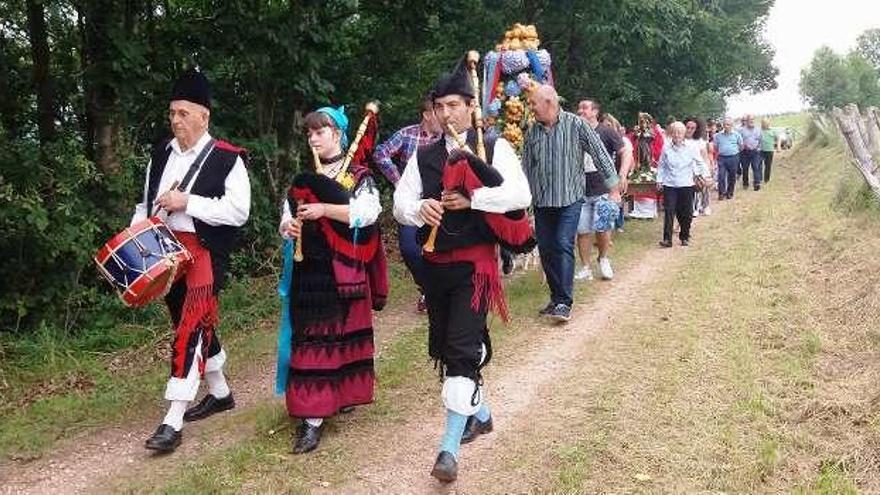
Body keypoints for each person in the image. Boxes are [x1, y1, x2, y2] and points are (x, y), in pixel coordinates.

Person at [393, 59, 532, 483]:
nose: (446, 113)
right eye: (440, 106)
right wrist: (421, 208)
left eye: (454, 104)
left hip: (475, 268)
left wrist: (474, 200)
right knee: (447, 347)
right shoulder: (424, 154)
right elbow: (399, 203)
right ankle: (482, 413)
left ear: (471, 107)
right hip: (436, 269)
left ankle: (447, 450)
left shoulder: (493, 145)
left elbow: (518, 194)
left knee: (459, 350)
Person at [131, 69, 251, 452]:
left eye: (183, 113)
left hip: (204, 252)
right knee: (190, 319)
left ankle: (173, 417)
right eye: (172, 113)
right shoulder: (159, 155)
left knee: (190, 326)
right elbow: (144, 205)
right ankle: (220, 393)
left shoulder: (227, 158)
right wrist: (135, 240)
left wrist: (188, 202)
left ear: (204, 116)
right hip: (164, 251)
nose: (176, 120)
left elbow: (239, 211)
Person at [278, 106, 387, 454]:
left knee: (341, 337)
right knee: (314, 337)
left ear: (338, 134)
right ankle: (311, 418)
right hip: (310, 270)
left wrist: (326, 209)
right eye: (309, 133)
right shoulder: (304, 177)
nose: (313, 138)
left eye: (320, 131)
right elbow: (286, 217)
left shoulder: (358, 175)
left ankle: (341, 395)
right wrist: (288, 227)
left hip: (345, 267)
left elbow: (368, 214)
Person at [522, 86, 619, 322]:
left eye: (534, 103)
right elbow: (526, 169)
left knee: (563, 244)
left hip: (570, 199)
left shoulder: (577, 124)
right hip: (543, 202)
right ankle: (556, 298)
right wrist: (526, 206)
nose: (531, 108)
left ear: (549, 102)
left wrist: (614, 188)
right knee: (546, 249)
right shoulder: (532, 132)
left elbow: (600, 154)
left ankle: (564, 303)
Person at [373, 97, 442, 311]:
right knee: (410, 248)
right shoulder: (406, 134)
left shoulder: (446, 138)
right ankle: (427, 288)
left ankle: (439, 292)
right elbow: (380, 153)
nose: (443, 116)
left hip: (439, 202)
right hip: (411, 202)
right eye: (437, 111)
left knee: (439, 249)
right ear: (427, 114)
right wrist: (398, 180)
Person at [574, 99, 632, 281]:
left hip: (603, 187)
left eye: (585, 108)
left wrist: (622, 175)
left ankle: (603, 258)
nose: (581, 111)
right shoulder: (574, 131)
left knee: (603, 226)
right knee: (582, 230)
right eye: (580, 108)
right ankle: (585, 267)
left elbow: (626, 152)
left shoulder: (606, 131)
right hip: (580, 188)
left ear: (595, 111)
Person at [657, 122, 706, 247]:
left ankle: (685, 236)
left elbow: (700, 163)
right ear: (671, 134)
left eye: (680, 132)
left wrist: (703, 175)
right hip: (670, 184)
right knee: (669, 211)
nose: (677, 135)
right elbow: (661, 165)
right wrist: (659, 180)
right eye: (674, 132)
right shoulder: (666, 147)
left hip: (686, 184)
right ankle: (667, 239)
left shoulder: (691, 147)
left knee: (686, 212)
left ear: (684, 134)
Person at [683, 116, 712, 216]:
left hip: (700, 167)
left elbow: (704, 157)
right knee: (693, 189)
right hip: (687, 169)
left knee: (704, 186)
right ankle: (695, 207)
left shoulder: (699, 141)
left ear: (696, 129)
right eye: (688, 127)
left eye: (692, 128)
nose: (690, 130)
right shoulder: (680, 140)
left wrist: (707, 170)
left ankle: (706, 206)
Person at [713, 117, 742, 200]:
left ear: (732, 125)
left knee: (732, 176)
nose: (726, 126)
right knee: (721, 176)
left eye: (728, 125)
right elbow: (716, 147)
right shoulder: (717, 136)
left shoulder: (737, 135)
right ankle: (721, 193)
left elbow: (740, 146)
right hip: (722, 158)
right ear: (723, 125)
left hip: (733, 157)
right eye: (725, 124)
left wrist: (734, 152)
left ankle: (730, 193)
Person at [738, 114, 763, 190]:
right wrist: (743, 145)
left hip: (755, 152)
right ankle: (745, 183)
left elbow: (760, 140)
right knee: (745, 168)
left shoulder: (758, 130)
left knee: (756, 167)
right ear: (746, 121)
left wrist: (758, 147)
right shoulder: (741, 130)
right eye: (749, 119)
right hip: (745, 152)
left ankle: (757, 184)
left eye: (752, 119)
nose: (751, 121)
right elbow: (739, 141)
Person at [760, 118, 778, 183]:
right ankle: (759, 178)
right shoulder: (759, 131)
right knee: (759, 164)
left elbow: (778, 138)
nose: (765, 124)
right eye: (764, 123)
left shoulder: (772, 131)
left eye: (766, 123)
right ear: (762, 124)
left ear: (769, 124)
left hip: (770, 150)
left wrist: (778, 147)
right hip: (761, 150)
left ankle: (766, 179)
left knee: (768, 165)